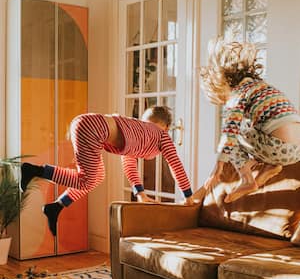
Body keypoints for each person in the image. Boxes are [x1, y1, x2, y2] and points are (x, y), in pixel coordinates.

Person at [21, 106, 194, 236]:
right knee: (86, 180)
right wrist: (188, 196)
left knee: (96, 177)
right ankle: (34, 170)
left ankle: (56, 207)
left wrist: (139, 192)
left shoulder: (137, 130)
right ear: (166, 127)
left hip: (86, 123)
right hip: (93, 128)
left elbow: (129, 164)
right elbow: (175, 164)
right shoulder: (161, 135)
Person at [199, 37, 300, 203]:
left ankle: (247, 179)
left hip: (276, 147)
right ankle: (270, 167)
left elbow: (229, 134)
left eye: (222, 98)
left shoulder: (238, 94)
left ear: (222, 82)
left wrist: (218, 168)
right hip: (296, 151)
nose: (226, 102)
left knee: (235, 133)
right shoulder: (262, 87)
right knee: (255, 126)